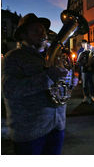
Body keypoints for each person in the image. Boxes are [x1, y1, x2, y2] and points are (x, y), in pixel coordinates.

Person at [2, 13, 72, 155]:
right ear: (24, 35)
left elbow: (58, 86)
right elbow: (10, 89)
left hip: (57, 125)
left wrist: (69, 82)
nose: (43, 34)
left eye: (43, 31)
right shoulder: (13, 57)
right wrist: (47, 78)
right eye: (36, 31)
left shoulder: (53, 56)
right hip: (30, 132)